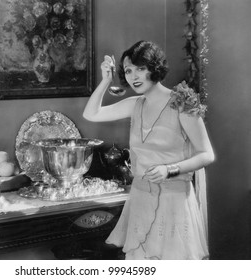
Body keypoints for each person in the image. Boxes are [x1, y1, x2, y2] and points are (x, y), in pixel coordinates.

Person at [83, 40, 215, 260]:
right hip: (140, 199)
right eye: (128, 70)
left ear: (154, 68)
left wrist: (169, 169)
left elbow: (206, 154)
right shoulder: (135, 104)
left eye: (140, 69)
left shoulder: (182, 103)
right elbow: (91, 114)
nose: (133, 76)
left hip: (174, 202)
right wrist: (105, 81)